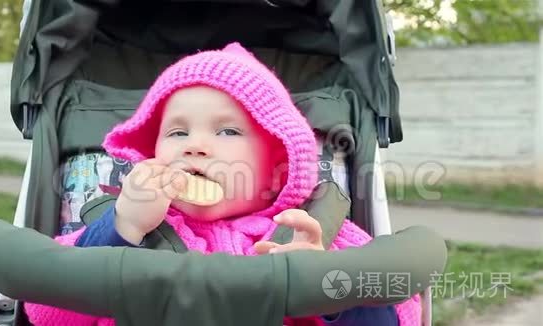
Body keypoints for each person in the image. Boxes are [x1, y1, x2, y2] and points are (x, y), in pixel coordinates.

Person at [24, 42, 420, 326]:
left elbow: (400, 315)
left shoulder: (311, 236)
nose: (195, 146)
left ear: (278, 166)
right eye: (177, 133)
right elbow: (45, 313)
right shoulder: (125, 228)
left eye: (228, 131)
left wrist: (326, 287)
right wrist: (120, 229)